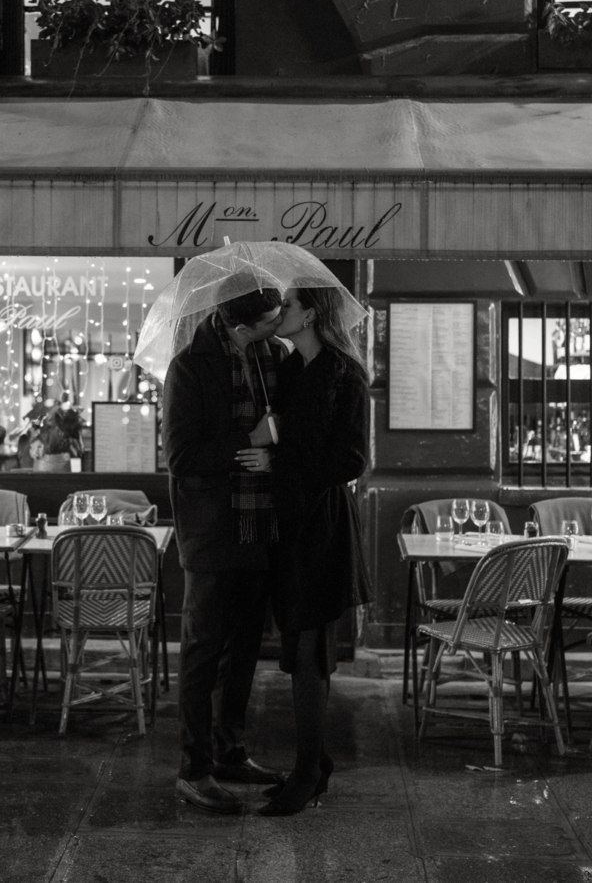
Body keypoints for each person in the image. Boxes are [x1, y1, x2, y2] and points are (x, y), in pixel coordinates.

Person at [236, 284, 372, 816]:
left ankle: (309, 769)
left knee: (311, 651)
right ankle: (315, 762)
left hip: (322, 527)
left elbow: (351, 461)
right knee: (298, 646)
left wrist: (279, 464)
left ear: (311, 314)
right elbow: (289, 436)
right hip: (289, 523)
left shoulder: (345, 374)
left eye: (288, 307)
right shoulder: (292, 369)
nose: (280, 313)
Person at [163, 286, 288, 814]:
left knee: (243, 648)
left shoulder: (274, 356)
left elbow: (288, 430)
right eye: (270, 319)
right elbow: (182, 455)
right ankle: (194, 768)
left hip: (260, 523)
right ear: (242, 327)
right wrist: (251, 442)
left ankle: (230, 749)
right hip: (212, 527)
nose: (279, 323)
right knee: (202, 651)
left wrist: (276, 448)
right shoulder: (189, 367)